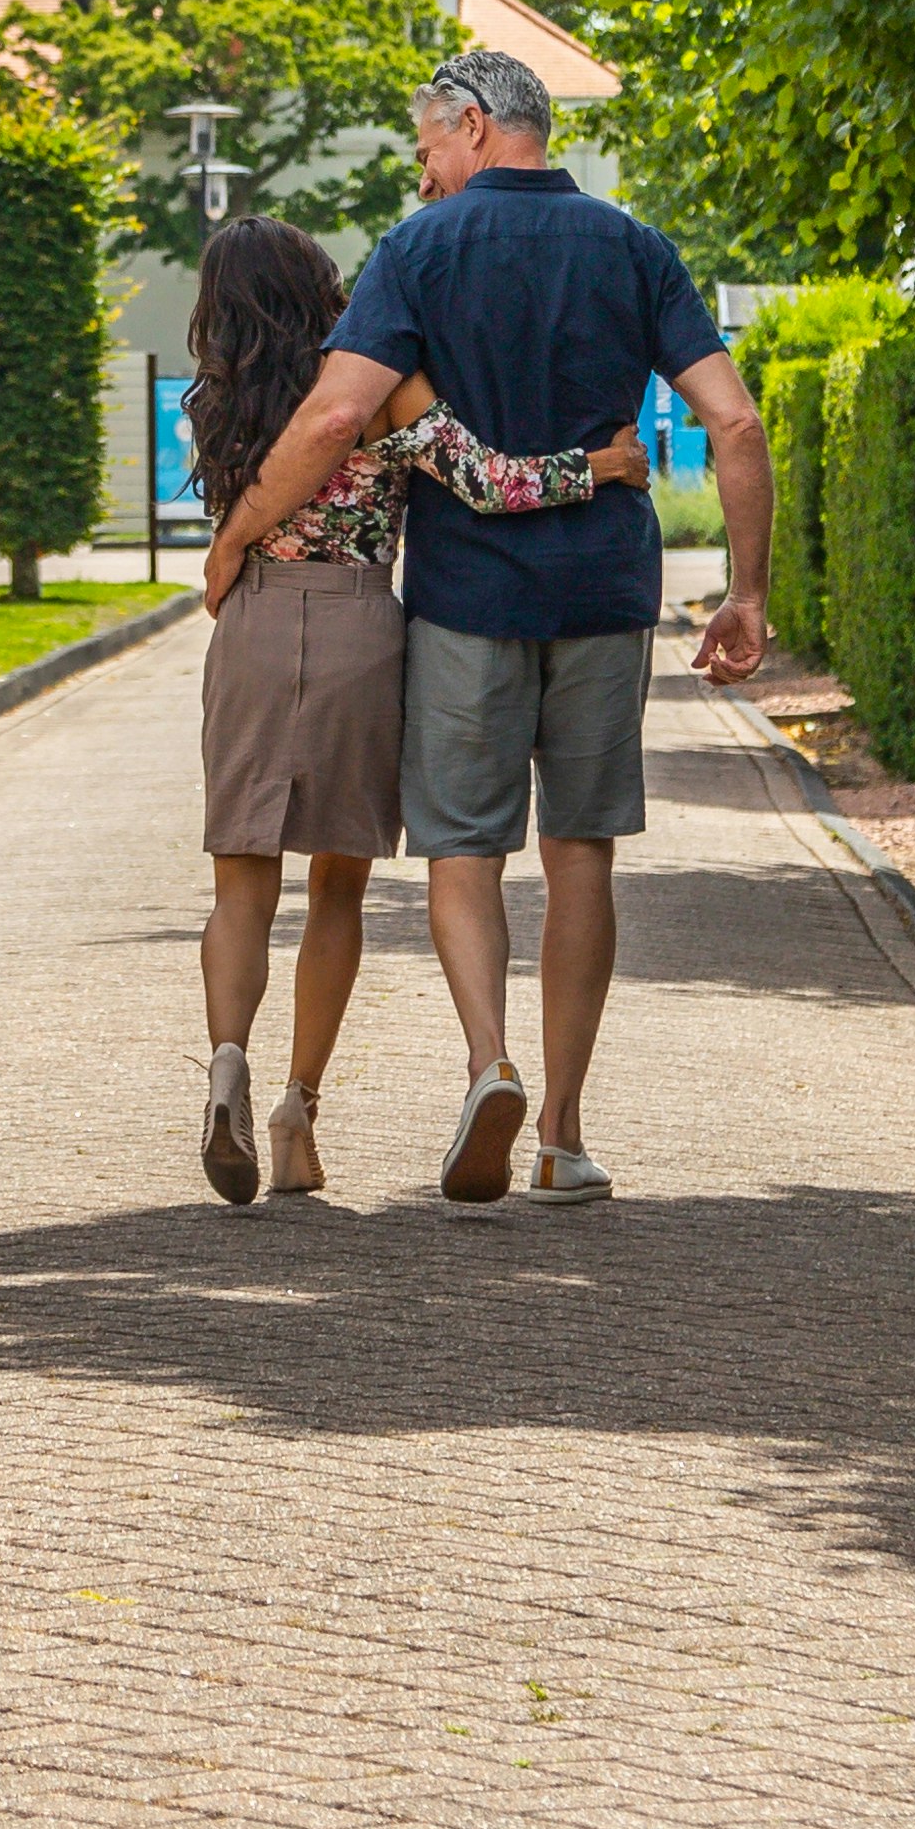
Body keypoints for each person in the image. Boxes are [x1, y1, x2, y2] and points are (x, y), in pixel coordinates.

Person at [197, 51, 766, 1205]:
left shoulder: (417, 252)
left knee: (464, 850)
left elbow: (340, 410)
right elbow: (737, 423)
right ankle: (559, 1131)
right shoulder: (635, 246)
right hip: (605, 589)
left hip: (463, 600)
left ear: (472, 125)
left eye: (427, 151)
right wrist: (747, 590)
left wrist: (236, 534)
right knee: (582, 850)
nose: (425, 177)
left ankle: (481, 1060)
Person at [176, 215, 637, 1205]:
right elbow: (484, 481)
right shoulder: (381, 384)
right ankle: (298, 1106)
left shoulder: (212, 402)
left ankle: (226, 1065)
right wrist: (597, 466)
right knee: (336, 887)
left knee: (240, 884)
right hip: (357, 629)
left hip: (251, 621)